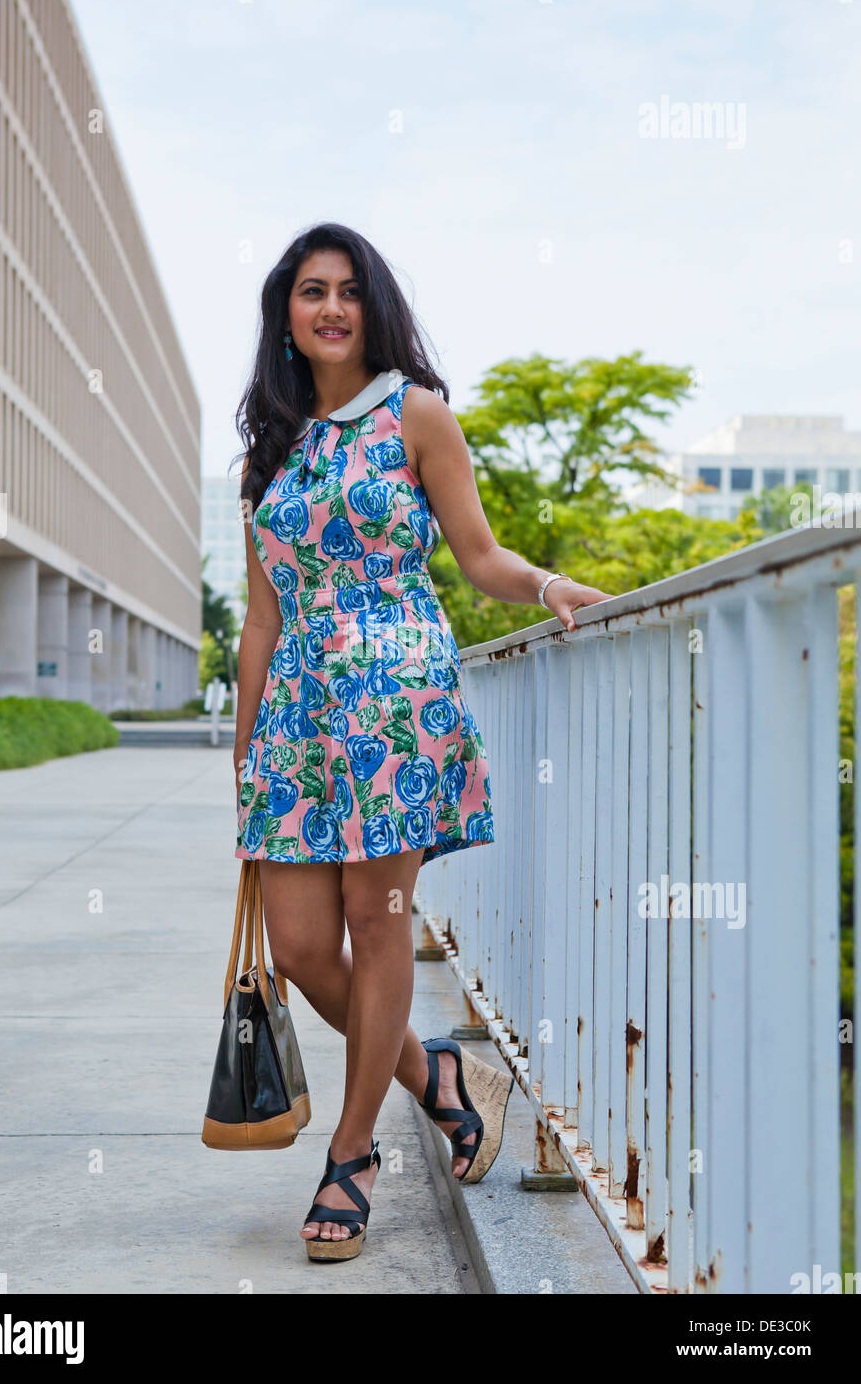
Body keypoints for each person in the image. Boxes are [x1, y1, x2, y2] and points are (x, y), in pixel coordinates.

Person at [231, 222, 610, 1261]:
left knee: (376, 917)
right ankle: (437, 1074)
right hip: (302, 722)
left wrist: (541, 585)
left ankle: (351, 1158)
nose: (333, 308)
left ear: (374, 305)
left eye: (350, 290)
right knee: (304, 945)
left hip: (398, 699)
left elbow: (477, 553)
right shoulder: (271, 450)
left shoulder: (415, 412)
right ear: (288, 315)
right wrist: (244, 746)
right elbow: (261, 620)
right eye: (312, 291)